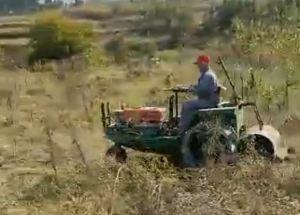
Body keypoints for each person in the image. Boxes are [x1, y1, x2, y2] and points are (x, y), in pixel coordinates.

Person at [179, 55, 221, 137]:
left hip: (208, 102)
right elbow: (201, 87)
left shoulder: (208, 76)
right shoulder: (208, 74)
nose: (198, 66)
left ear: (205, 63)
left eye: (199, 64)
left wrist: (191, 90)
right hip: (208, 100)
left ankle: (183, 130)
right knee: (189, 103)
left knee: (186, 105)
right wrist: (192, 87)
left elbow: (203, 91)